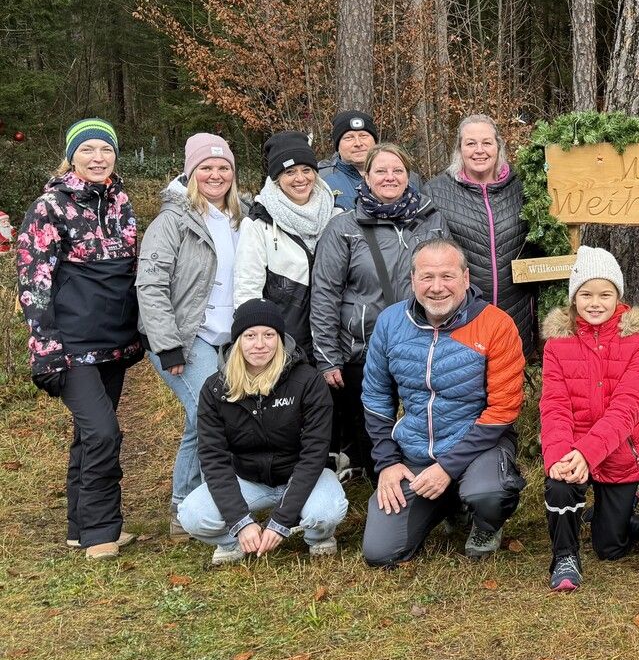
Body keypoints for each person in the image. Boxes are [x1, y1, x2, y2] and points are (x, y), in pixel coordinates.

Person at [15, 118, 144, 559]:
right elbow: (34, 281)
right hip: (71, 346)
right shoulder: (49, 207)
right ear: (72, 156)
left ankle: (79, 524)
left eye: (105, 150)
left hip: (113, 340)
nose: (97, 158)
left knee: (88, 435)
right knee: (104, 433)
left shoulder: (120, 201)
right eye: (87, 150)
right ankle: (100, 534)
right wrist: (45, 348)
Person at [360, 239, 526, 566]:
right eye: (427, 277)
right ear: (413, 281)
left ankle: (484, 522)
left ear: (465, 278)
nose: (437, 287)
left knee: (488, 494)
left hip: (479, 447)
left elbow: (503, 409)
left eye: (447, 276)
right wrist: (388, 462)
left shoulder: (496, 324)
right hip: (416, 451)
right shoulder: (391, 323)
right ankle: (448, 504)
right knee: (379, 553)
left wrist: (448, 467)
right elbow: (376, 396)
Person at [311, 142, 447, 480]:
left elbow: (449, 279)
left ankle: (433, 490)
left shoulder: (430, 220)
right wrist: (328, 356)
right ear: (366, 178)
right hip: (364, 349)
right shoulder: (343, 228)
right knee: (373, 426)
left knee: (427, 422)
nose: (390, 177)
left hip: (421, 343)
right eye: (381, 171)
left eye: (397, 170)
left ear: (409, 176)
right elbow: (325, 293)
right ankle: (384, 491)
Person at [178, 299, 348, 564]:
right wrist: (240, 521)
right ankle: (236, 540)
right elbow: (213, 459)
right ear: (237, 342)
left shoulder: (307, 380)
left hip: (301, 474)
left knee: (326, 512)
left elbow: (315, 452)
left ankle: (318, 536)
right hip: (248, 479)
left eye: (269, 335)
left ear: (280, 339)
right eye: (250, 336)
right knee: (191, 514)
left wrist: (281, 520)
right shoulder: (215, 389)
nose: (260, 344)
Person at [137, 133, 242, 538]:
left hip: (228, 338)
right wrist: (167, 345)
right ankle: (183, 506)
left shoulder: (240, 217)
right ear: (191, 172)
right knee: (205, 414)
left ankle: (210, 498)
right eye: (206, 168)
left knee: (223, 416)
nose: (216, 175)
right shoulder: (170, 222)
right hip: (184, 336)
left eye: (223, 168)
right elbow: (151, 285)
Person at [540, 246, 639, 591]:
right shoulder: (557, 345)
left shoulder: (637, 342)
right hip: (572, 446)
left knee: (611, 548)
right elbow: (554, 406)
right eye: (586, 294)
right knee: (560, 482)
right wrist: (560, 455)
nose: (595, 303)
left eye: (605, 294)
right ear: (574, 298)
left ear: (617, 296)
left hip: (617, 452)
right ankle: (565, 556)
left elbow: (627, 409)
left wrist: (590, 453)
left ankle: (615, 519)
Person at [425, 115, 536, 358]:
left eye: (486, 143)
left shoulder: (524, 187)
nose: (479, 151)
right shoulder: (436, 191)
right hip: (463, 316)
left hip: (517, 312)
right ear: (459, 149)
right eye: (470, 143)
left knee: (509, 388)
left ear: (499, 147)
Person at [234, 131, 336, 361]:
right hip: (283, 344)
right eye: (290, 172)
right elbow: (247, 289)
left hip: (332, 342)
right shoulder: (259, 224)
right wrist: (255, 341)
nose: (300, 178)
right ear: (276, 178)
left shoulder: (335, 214)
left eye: (306, 170)